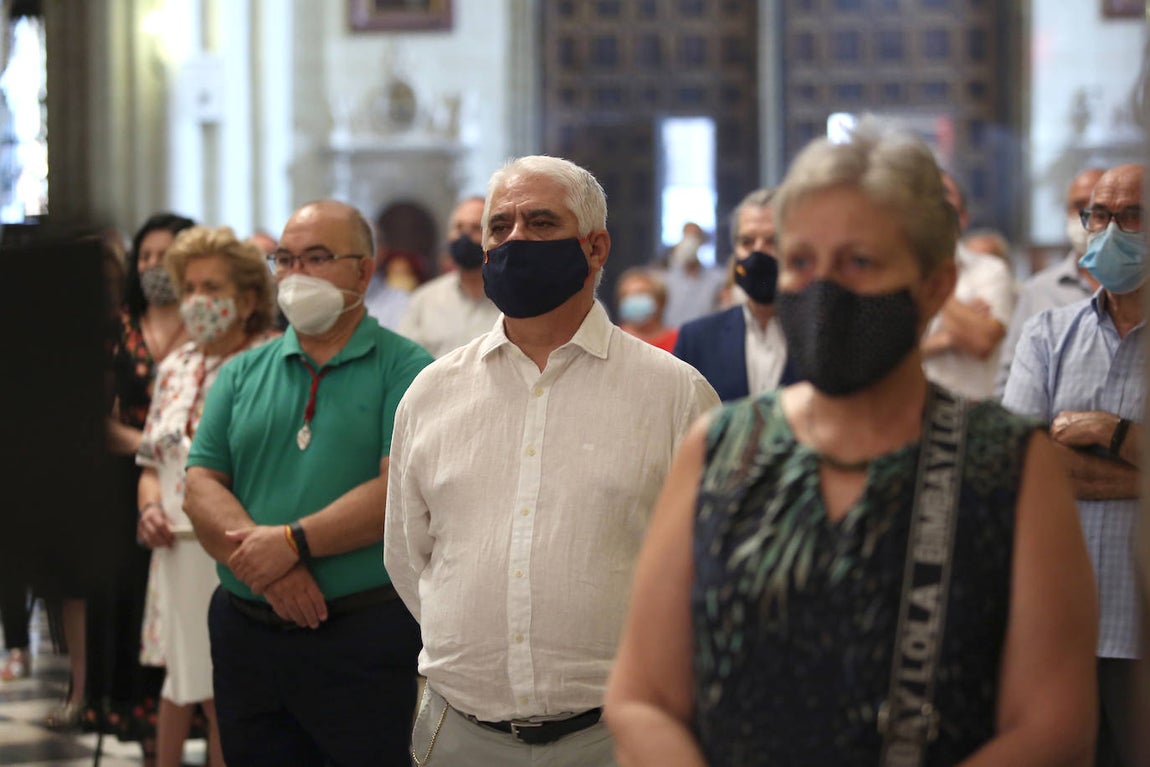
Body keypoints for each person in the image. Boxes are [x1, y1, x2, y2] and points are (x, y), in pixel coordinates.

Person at [605, 119, 1098, 766]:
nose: (823, 288)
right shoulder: (721, 444)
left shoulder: (1010, 463)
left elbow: (1052, 726)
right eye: (801, 261)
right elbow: (641, 695)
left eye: (858, 262)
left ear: (934, 286)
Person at [384, 155, 719, 766]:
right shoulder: (430, 395)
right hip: (460, 733)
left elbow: (708, 565)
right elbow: (412, 559)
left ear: (595, 248)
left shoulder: (675, 394)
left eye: (541, 224)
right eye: (499, 227)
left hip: (615, 736)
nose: (516, 240)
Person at [184, 200, 432, 767]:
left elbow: (397, 492)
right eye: (285, 259)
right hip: (247, 631)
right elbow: (200, 482)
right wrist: (269, 561)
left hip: (359, 635)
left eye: (317, 258)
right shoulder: (244, 370)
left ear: (364, 271)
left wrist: (292, 542)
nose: (296, 275)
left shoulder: (409, 369)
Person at [1002, 163, 1145, 767]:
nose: (1109, 230)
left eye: (1131, 216)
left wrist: (1107, 430)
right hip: (1065, 627)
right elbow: (1021, 462)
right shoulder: (1047, 333)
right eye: (1098, 216)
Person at [135, 225, 279, 767]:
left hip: (232, 548)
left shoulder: (272, 360)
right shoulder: (175, 367)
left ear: (246, 299)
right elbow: (151, 460)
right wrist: (148, 506)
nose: (197, 301)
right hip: (173, 546)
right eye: (189, 287)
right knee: (179, 679)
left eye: (211, 288)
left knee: (225, 689)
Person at [75, 213, 196, 763]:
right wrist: (157, 439)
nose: (151, 266)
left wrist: (159, 440)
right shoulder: (117, 330)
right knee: (127, 610)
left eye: (162, 255)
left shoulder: (207, 328)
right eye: (143, 257)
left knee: (184, 616)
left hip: (194, 482)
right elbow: (91, 420)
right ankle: (144, 736)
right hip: (123, 489)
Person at [673, 189, 799, 401]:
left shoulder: (826, 333)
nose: (758, 252)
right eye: (747, 242)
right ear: (735, 249)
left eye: (773, 241)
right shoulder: (697, 340)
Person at [994, 167, 1105, 397]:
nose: (1087, 215)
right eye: (1078, 206)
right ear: (1066, 213)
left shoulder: (1136, 289)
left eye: (1097, 207)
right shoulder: (1038, 290)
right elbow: (1008, 378)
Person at [920, 173, 1015, 399]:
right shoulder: (898, 271)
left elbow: (981, 341)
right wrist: (948, 338)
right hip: (911, 413)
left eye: (944, 194)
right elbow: (885, 354)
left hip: (973, 414)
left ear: (962, 217)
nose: (934, 202)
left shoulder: (990, 270)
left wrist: (928, 276)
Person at [397, 195, 500, 356]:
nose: (464, 236)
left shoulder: (511, 300)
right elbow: (403, 361)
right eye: (458, 227)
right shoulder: (424, 300)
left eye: (475, 228)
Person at [661, 222, 726, 327]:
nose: (690, 241)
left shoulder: (717, 278)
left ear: (702, 241)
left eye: (695, 236)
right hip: (672, 336)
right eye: (687, 236)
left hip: (704, 335)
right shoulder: (665, 278)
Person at [615, 266, 678, 352]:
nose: (634, 301)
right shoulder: (613, 338)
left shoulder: (678, 340)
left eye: (640, 294)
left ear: (660, 301)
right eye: (626, 295)